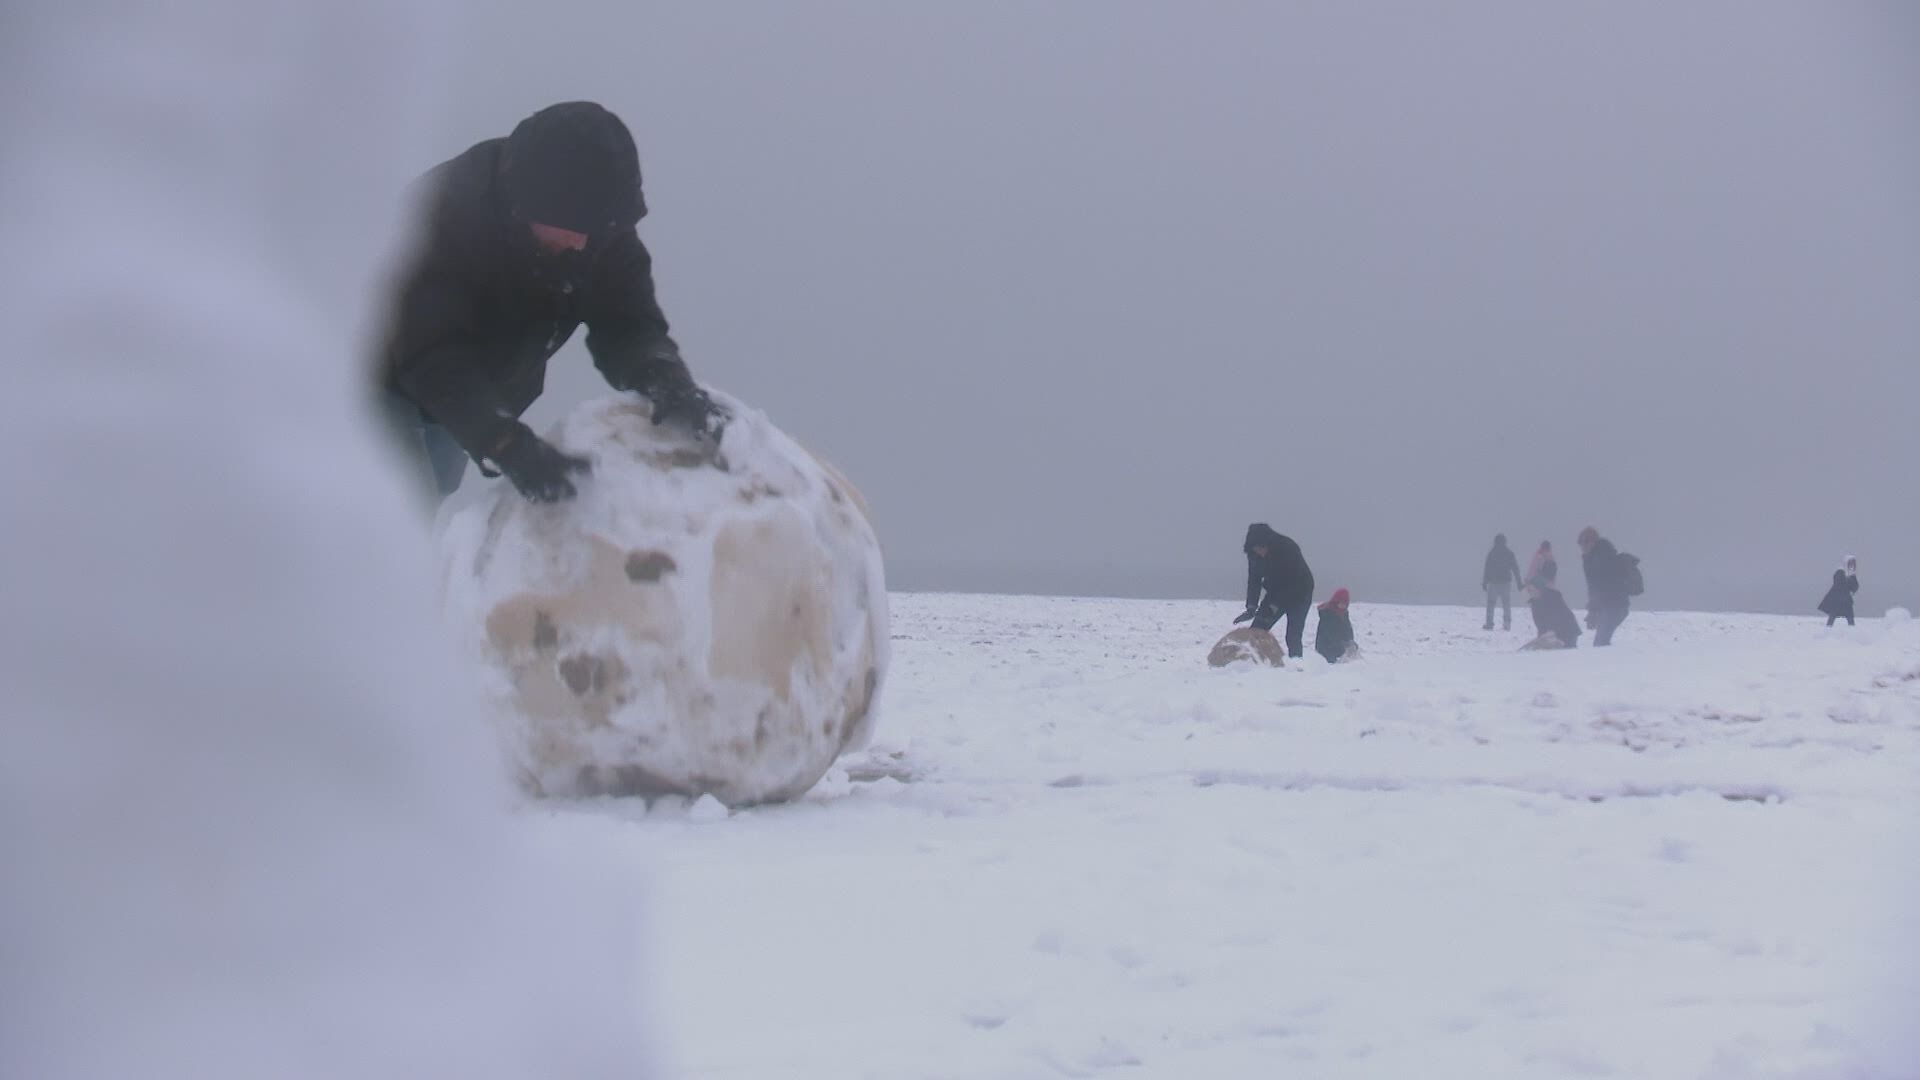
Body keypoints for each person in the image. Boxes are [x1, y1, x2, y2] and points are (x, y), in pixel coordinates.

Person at [377, 101, 726, 504]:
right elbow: (429, 350)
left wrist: (664, 377)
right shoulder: (441, 217)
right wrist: (502, 441)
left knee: (428, 493)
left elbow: (628, 325)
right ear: (527, 203)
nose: (582, 242)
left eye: (595, 230)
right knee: (391, 505)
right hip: (378, 380)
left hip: (470, 395)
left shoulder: (598, 231)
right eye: (573, 227)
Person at [1234, 523, 1315, 658]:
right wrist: (1251, 607)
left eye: (1261, 548)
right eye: (1256, 549)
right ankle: (1249, 665)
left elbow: (1293, 582)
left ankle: (1296, 665)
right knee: (1256, 631)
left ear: (1268, 543)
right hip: (1274, 592)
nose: (1259, 552)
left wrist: (1274, 606)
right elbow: (1254, 580)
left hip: (1300, 593)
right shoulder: (1254, 555)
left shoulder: (1288, 548)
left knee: (1293, 636)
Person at [1578, 526, 1631, 646]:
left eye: (1585, 543)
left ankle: (1608, 658)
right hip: (1610, 605)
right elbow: (1594, 588)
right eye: (1581, 544)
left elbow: (1599, 587)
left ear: (1592, 542)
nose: (1582, 547)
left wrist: (1593, 611)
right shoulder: (1591, 559)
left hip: (1616, 605)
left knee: (1600, 642)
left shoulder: (1602, 558)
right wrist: (1593, 611)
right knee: (1601, 641)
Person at [1523, 540, 1581, 647]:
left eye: (1532, 590)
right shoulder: (1535, 603)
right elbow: (1541, 625)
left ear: (1539, 589)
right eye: (1529, 591)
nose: (1530, 593)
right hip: (1557, 634)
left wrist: (1548, 637)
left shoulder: (1552, 598)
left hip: (1567, 633)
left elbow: (1559, 619)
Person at [1481, 533, 1522, 630]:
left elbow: (1487, 568)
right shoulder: (1509, 553)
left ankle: (1489, 623)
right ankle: (1507, 624)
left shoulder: (1492, 553)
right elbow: (1515, 569)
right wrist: (1519, 583)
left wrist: (1485, 582)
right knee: (1506, 604)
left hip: (1494, 582)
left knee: (1491, 604)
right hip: (1506, 583)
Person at [1314, 588, 1356, 663]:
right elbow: (1329, 633)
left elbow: (1348, 630)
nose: (1343, 605)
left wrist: (1350, 642)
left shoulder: (1344, 614)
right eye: (1341, 602)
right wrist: (1341, 645)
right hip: (1325, 647)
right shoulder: (1327, 614)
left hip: (1339, 645)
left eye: (1345, 603)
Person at [1818, 557, 1860, 627]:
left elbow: (1855, 586)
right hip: (1837, 599)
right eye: (1850, 564)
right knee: (1833, 616)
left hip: (1846, 600)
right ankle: (1827, 630)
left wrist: (1852, 581)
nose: (1852, 566)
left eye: (1853, 564)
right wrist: (1849, 580)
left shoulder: (1851, 574)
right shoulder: (1840, 572)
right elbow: (1838, 584)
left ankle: (1852, 631)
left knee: (1850, 617)